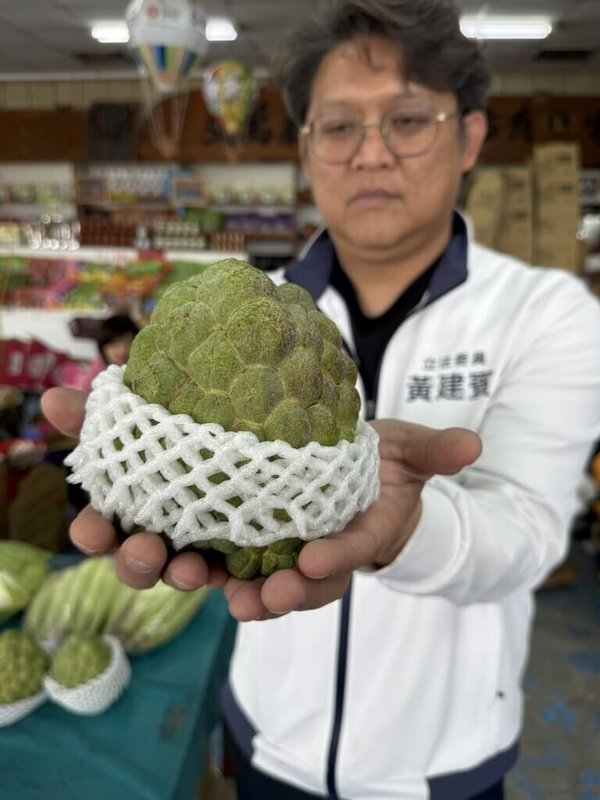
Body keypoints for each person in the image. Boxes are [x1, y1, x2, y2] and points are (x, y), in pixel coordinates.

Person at [41, 1, 600, 798]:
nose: (371, 154)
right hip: (269, 736)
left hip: (439, 762)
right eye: (338, 127)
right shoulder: (249, 307)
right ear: (306, 147)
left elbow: (531, 533)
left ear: (471, 136)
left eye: (408, 120)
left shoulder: (548, 314)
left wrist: (410, 528)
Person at [61, 313, 139, 393]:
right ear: (102, 347)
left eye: (129, 343)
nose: (122, 350)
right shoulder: (95, 374)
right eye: (115, 343)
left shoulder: (140, 366)